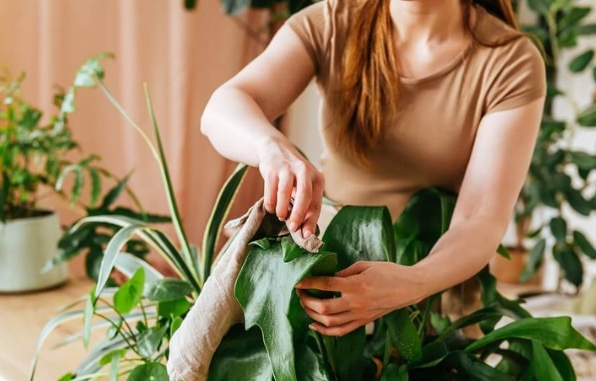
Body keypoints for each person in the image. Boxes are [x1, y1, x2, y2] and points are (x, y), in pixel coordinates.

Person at [200, 0, 546, 337]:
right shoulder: (332, 21)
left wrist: (413, 283)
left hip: (434, 311)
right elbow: (222, 109)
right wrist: (273, 149)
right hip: (324, 290)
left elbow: (480, 219)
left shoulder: (511, 61)